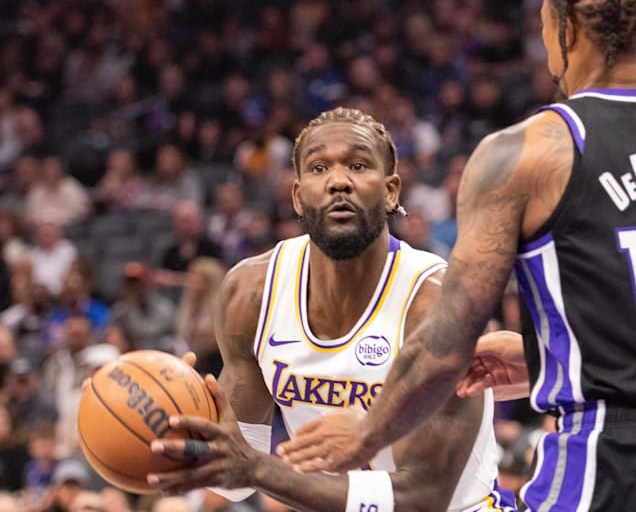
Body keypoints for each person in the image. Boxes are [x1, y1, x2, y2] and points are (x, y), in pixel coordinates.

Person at [276, 1, 636, 511]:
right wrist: (543, 359)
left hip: (613, 456)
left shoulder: (529, 150)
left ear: (566, 31)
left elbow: (447, 341)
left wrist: (366, 430)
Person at [145, 107, 514, 512]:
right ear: (298, 197)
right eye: (319, 168)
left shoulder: (434, 301)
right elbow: (236, 478)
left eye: (357, 165)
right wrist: (196, 429)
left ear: (391, 190)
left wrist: (257, 470)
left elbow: (422, 497)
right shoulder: (249, 292)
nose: (339, 181)